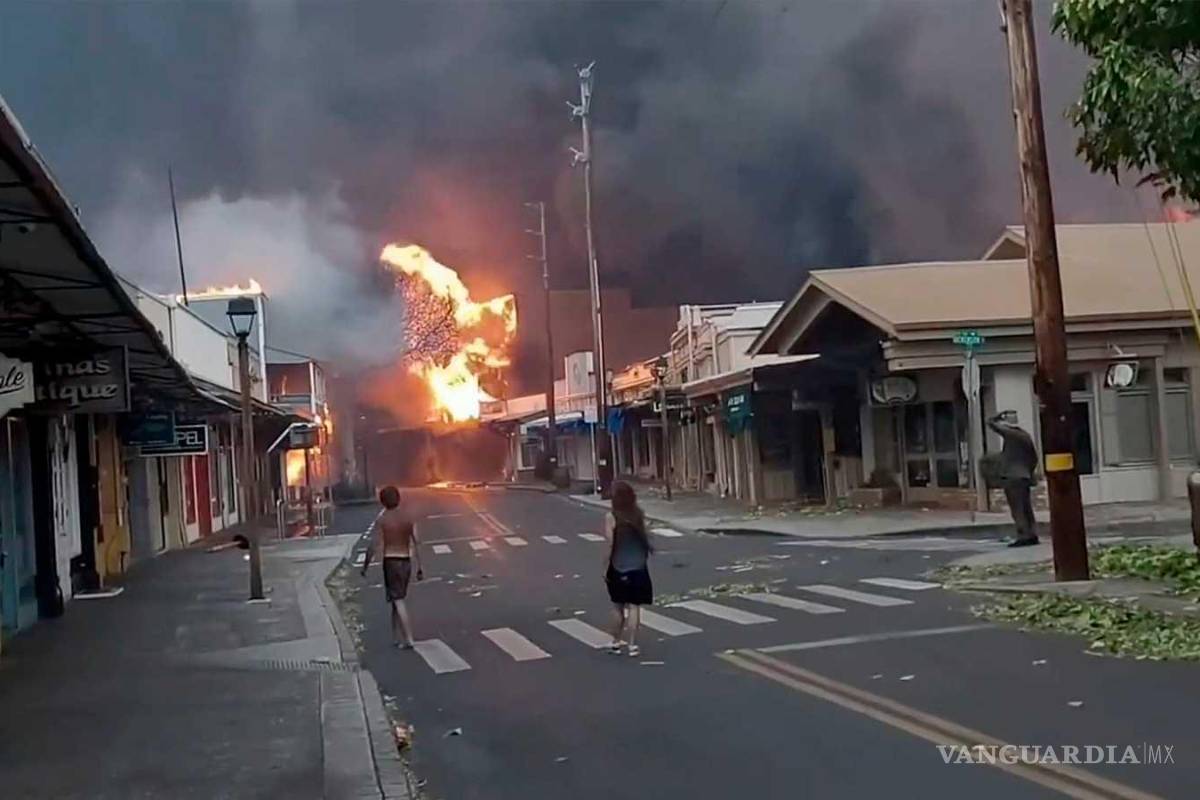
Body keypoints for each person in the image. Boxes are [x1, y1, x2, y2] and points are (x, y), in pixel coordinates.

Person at [361, 485, 424, 648]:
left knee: (397, 599)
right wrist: (420, 567)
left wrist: (365, 566)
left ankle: (409, 638)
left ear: (383, 502)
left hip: (391, 562)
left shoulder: (383, 520)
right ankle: (396, 637)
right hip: (406, 562)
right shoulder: (409, 517)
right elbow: (417, 542)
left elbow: (373, 545)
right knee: (396, 598)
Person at [603, 481, 654, 657]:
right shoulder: (638, 514)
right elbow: (644, 537)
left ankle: (615, 642)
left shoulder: (611, 517)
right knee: (634, 607)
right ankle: (632, 645)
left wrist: (605, 566)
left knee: (617, 606)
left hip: (618, 566)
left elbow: (610, 544)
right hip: (639, 566)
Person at [986, 410, 1040, 547]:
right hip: (1024, 476)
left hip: (1012, 477)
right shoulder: (1025, 436)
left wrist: (998, 416)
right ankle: (1032, 533)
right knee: (1026, 507)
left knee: (1017, 508)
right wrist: (1028, 471)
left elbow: (990, 423)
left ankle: (1023, 535)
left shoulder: (1011, 434)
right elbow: (1034, 458)